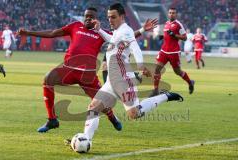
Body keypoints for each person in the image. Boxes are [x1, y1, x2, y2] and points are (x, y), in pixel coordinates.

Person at [18, 7, 158, 133]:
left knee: (99, 104)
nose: (88, 18)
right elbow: (53, 33)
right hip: (68, 69)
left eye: (91, 16)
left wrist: (142, 30)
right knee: (48, 79)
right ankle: (52, 120)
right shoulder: (75, 26)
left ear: (96, 19)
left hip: (87, 75)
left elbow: (126, 38)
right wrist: (29, 32)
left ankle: (112, 117)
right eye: (86, 16)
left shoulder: (101, 32)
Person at [78, 3, 183, 146]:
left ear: (122, 17)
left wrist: (140, 65)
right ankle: (86, 139)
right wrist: (100, 30)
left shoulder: (126, 30)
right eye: (109, 17)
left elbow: (135, 48)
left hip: (123, 80)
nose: (110, 20)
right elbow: (112, 41)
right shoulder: (118, 30)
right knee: (93, 108)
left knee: (134, 114)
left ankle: (165, 96)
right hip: (111, 81)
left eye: (113, 17)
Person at [150, 7, 195, 96]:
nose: (171, 14)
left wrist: (175, 35)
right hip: (164, 51)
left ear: (176, 14)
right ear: (168, 14)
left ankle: (190, 82)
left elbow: (185, 38)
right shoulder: (166, 24)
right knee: (157, 69)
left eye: (173, 13)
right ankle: (155, 90)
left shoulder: (178, 25)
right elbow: (165, 35)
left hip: (174, 52)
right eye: (170, 12)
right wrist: (160, 36)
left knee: (177, 71)